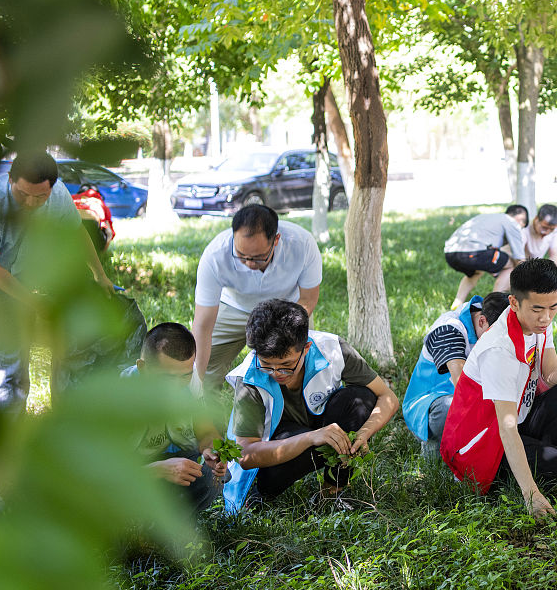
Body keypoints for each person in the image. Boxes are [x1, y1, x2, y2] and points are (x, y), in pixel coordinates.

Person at [0, 151, 114, 410]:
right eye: (23, 194)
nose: (31, 203)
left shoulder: (57, 195)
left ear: (52, 187)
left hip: (13, 276)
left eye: (40, 197)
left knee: (13, 373)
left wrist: (99, 275)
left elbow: (75, 232)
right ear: (10, 180)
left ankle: (7, 442)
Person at [441, 259, 557, 518]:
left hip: (511, 424)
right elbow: (505, 427)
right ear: (514, 303)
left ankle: (537, 465)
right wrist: (531, 494)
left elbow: (550, 375)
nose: (546, 317)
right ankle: (526, 479)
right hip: (478, 447)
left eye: (554, 307)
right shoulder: (499, 348)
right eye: (538, 309)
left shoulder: (539, 324)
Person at [221, 299, 399, 512]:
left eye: (287, 366)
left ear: (306, 348)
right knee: (309, 444)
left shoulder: (332, 349)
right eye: (267, 365)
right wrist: (310, 438)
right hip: (275, 451)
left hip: (320, 427)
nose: (277, 374)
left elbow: (388, 397)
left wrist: (363, 433)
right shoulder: (249, 378)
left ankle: (332, 491)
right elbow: (246, 456)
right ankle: (261, 495)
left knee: (360, 398)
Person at [191, 204, 322, 389]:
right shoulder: (215, 255)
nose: (249, 264)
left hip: (288, 310)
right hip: (235, 308)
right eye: (241, 256)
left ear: (276, 240)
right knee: (205, 369)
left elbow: (308, 300)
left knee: (299, 367)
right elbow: (203, 324)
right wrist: (195, 382)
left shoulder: (303, 244)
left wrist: (280, 331)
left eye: (259, 257)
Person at [124, 322, 227, 512]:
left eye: (185, 376)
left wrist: (212, 450)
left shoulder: (190, 377)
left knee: (210, 478)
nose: (177, 386)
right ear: (143, 368)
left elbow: (205, 429)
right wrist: (159, 470)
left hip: (169, 459)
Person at [402, 292, 511, 457]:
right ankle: (433, 452)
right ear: (482, 321)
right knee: (450, 406)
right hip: (430, 405)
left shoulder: (492, 322)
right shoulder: (448, 328)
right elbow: (462, 384)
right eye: (500, 338)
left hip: (472, 400)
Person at [444, 205, 529, 309]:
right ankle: (494, 305)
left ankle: (457, 303)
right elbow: (519, 259)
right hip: (475, 252)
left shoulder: (489, 217)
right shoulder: (512, 223)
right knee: (512, 265)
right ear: (520, 220)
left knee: (476, 272)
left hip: (450, 253)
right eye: (522, 228)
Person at [523, 204, 557, 305]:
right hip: (522, 266)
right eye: (544, 228)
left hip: (538, 265)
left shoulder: (552, 231)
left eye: (551, 229)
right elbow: (518, 259)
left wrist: (556, 273)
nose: (547, 232)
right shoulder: (524, 229)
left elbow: (555, 254)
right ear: (536, 219)